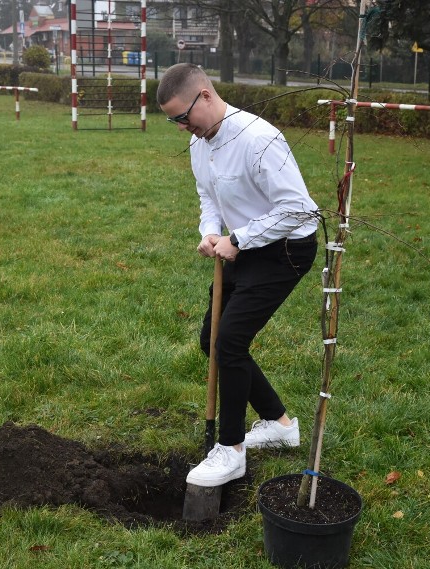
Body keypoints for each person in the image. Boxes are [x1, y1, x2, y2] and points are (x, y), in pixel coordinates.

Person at [157, 63, 319, 487]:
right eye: (173, 121)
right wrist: (210, 232)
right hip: (241, 246)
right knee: (211, 339)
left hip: (285, 249)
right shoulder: (200, 142)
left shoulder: (259, 139)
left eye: (182, 116)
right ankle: (281, 425)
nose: (181, 127)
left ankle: (229, 451)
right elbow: (207, 196)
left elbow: (299, 209)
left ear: (206, 96)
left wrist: (240, 239)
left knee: (229, 342)